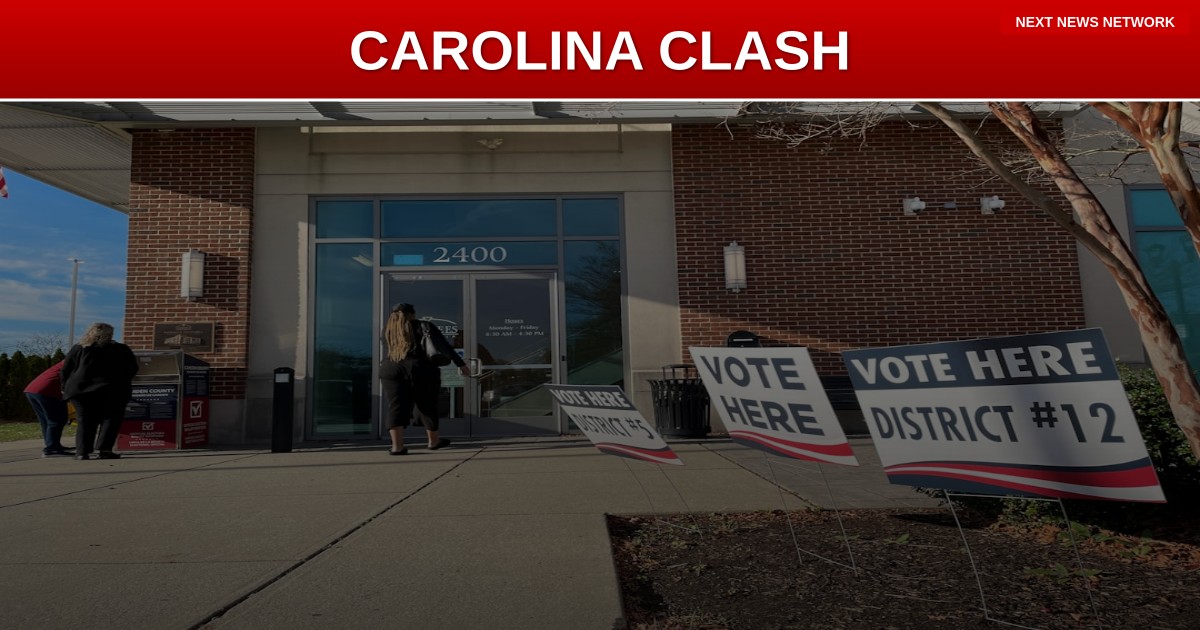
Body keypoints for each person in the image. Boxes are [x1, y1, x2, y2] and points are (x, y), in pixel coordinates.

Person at [379, 303, 470, 455]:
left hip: (391, 368)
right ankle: (433, 441)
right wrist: (461, 364)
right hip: (421, 368)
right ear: (412, 314)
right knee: (427, 404)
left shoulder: (388, 329)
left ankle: (397, 447)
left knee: (396, 406)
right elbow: (445, 346)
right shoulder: (424, 326)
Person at [61, 322, 139, 460]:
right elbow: (132, 368)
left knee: (85, 420)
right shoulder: (121, 349)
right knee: (111, 419)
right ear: (110, 334)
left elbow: (66, 369)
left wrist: (64, 387)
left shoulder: (79, 348)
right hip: (113, 389)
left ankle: (82, 452)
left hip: (81, 390)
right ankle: (105, 450)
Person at [24, 360, 73, 457]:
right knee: (57, 419)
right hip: (47, 390)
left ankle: (53, 445)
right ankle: (52, 448)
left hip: (33, 390)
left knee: (46, 421)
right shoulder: (79, 361)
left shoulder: (71, 359)